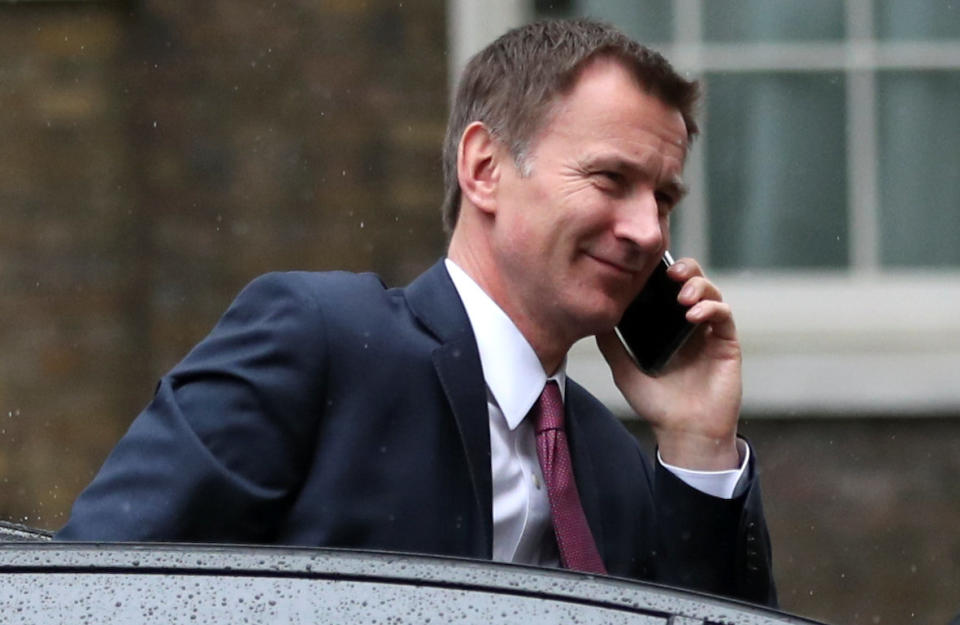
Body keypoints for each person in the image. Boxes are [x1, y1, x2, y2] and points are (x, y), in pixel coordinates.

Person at [56, 18, 776, 605]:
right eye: (610, 178)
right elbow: (85, 590)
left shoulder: (618, 469)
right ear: (485, 169)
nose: (648, 231)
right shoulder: (319, 342)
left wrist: (698, 445)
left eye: (664, 199)